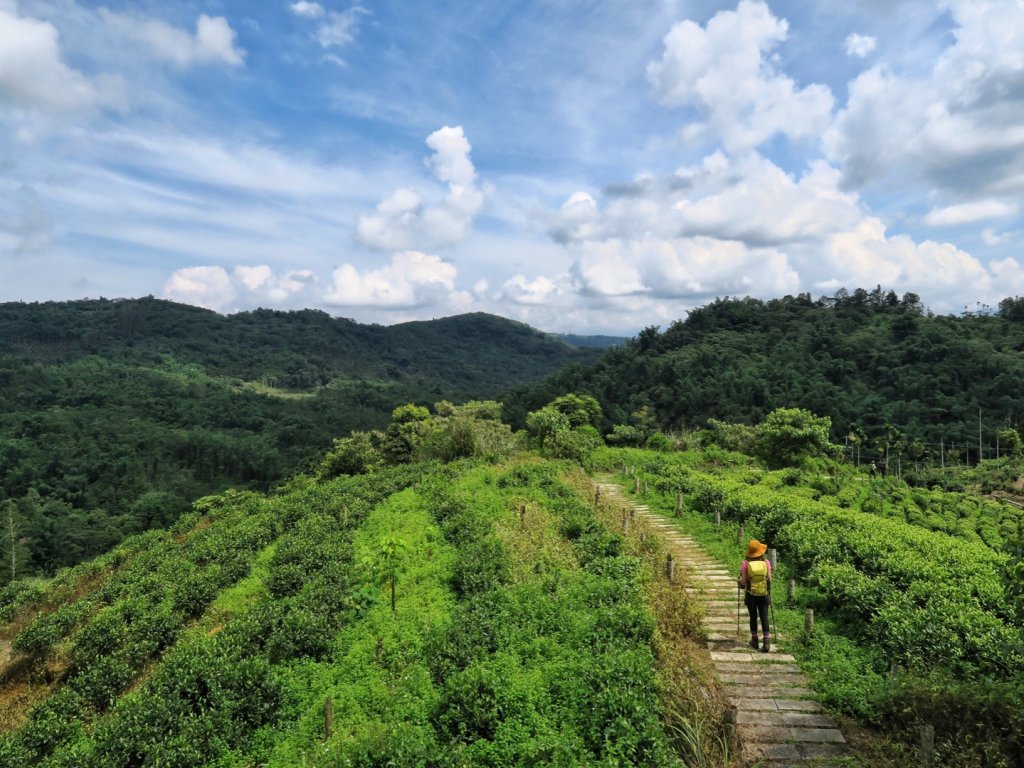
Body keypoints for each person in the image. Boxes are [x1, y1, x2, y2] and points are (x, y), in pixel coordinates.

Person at [738, 539, 772, 652]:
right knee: (764, 617)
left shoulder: (745, 564)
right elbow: (769, 580)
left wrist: (739, 582)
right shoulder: (766, 562)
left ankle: (755, 640)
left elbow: (743, 582)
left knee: (753, 617)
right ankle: (766, 642)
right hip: (763, 594)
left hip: (750, 594)